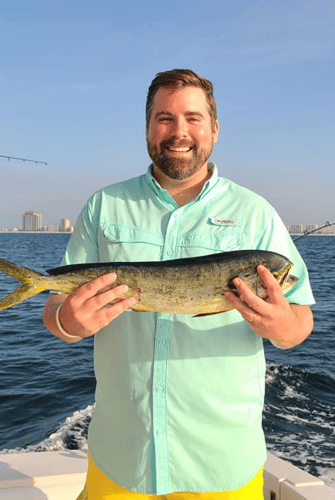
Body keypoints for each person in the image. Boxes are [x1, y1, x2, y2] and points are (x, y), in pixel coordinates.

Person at [43, 69, 315, 500]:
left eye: (193, 118)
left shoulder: (257, 212)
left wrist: (279, 325)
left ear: (214, 129)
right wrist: (69, 323)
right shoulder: (103, 205)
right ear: (148, 126)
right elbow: (56, 315)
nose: (178, 132)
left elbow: (299, 324)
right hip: (120, 458)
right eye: (164, 118)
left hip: (222, 462)